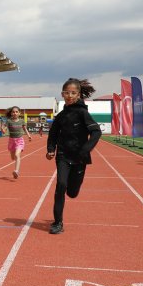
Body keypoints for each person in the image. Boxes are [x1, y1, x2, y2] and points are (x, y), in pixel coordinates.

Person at [45, 78, 102, 235]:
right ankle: (58, 222)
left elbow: (96, 132)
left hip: (80, 158)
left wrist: (86, 150)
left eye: (73, 93)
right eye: (66, 92)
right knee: (61, 185)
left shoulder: (83, 113)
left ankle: (73, 189)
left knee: (72, 193)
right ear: (62, 94)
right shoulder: (61, 115)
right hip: (63, 155)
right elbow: (53, 134)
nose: (69, 95)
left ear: (78, 94)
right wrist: (51, 149)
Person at [1, 106, 32, 179]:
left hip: (19, 140)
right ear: (11, 113)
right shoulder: (9, 121)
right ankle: (16, 164)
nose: (15, 113)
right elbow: (4, 130)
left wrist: (29, 135)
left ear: (19, 113)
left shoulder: (21, 121)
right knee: (13, 157)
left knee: (17, 155)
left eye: (16, 112)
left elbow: (25, 129)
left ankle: (16, 171)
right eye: (13, 112)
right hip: (11, 141)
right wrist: (3, 130)